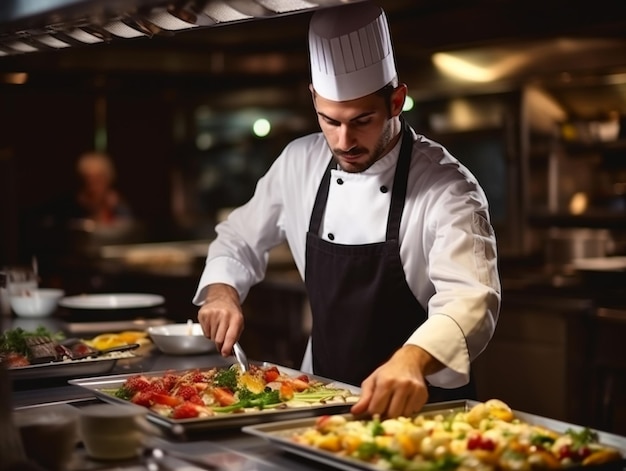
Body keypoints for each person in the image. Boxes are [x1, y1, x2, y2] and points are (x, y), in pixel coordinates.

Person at [193, 1, 501, 419]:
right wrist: (221, 291)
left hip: (423, 410)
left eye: (361, 120)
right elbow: (239, 236)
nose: (342, 141)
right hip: (321, 398)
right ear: (314, 100)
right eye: (329, 120)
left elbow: (471, 299)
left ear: (397, 101)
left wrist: (411, 359)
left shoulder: (448, 188)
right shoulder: (298, 161)